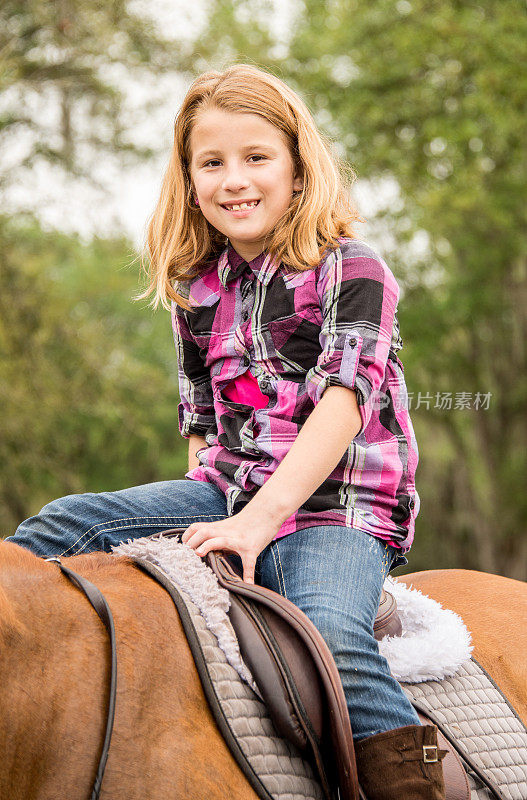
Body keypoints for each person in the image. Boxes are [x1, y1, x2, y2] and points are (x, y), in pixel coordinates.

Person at [6, 63, 446, 799]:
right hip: (225, 490)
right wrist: (201, 518)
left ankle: (414, 786)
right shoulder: (199, 286)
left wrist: (254, 527)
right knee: (61, 527)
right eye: (211, 163)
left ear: (298, 171)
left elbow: (341, 406)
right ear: (189, 179)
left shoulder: (351, 268)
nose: (233, 179)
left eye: (255, 158)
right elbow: (204, 428)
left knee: (332, 636)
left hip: (333, 510)